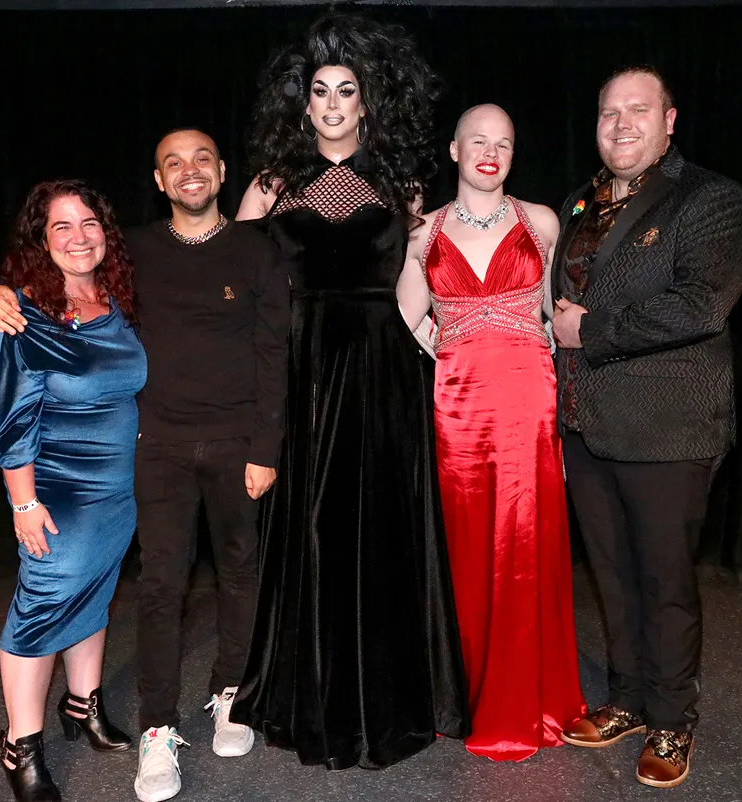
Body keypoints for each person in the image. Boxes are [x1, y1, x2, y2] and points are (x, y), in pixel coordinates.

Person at [0, 129, 290, 802]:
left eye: (202, 159)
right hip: (126, 465)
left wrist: (266, 448)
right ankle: (140, 728)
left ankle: (214, 695)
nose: (189, 171)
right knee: (147, 589)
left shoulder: (213, 259)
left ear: (222, 171)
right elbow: (35, 316)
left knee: (215, 574)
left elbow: (275, 351)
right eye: (173, 162)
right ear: (157, 180)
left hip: (185, 461)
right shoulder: (133, 257)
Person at [229, 13, 470, 770]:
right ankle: (312, 693)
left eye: (346, 90)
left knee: (380, 525)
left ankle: (389, 696)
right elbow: (231, 283)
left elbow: (420, 284)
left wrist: (448, 344)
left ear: (366, 101)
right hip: (301, 366)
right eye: (320, 91)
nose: (332, 103)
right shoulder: (270, 186)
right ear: (303, 103)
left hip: (381, 368)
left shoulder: (401, 185)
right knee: (312, 523)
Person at [551, 67, 742, 788]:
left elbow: (701, 304)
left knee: (664, 581)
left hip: (669, 428)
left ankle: (672, 719)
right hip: (588, 424)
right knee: (612, 575)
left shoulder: (709, 197)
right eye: (609, 112)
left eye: (638, 110)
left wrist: (591, 331)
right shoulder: (580, 199)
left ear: (669, 121)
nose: (621, 124)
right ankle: (629, 699)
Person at [396, 104, 588, 761]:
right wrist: (445, 342)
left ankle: (528, 698)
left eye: (503, 143)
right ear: (454, 150)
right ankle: (469, 693)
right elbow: (405, 314)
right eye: (478, 140)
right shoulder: (424, 230)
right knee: (467, 548)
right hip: (458, 412)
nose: (490, 152)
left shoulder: (541, 221)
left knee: (525, 544)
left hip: (529, 406)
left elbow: (553, 316)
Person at [0, 180, 145, 802]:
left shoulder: (116, 299)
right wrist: (24, 503)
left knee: (95, 595)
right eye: (62, 226)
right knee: (41, 609)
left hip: (117, 489)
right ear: (41, 240)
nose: (79, 237)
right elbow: (11, 417)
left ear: (106, 233)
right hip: (58, 492)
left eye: (89, 223)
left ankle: (82, 705)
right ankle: (19, 744)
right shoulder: (22, 314)